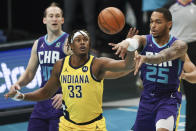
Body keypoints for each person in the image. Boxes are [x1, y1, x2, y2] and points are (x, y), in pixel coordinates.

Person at [5, 29, 136, 131]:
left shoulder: (97, 64)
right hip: (68, 126)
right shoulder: (60, 65)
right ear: (70, 45)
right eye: (78, 40)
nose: (83, 42)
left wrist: (130, 46)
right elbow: (45, 92)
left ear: (90, 44)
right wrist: (20, 96)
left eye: (85, 39)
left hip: (94, 126)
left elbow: (126, 65)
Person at [110, 8, 187, 131]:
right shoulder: (145, 40)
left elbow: (163, 56)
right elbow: (136, 40)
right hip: (147, 99)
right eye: (151, 22)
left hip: (168, 99)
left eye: (158, 22)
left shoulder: (179, 45)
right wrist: (127, 42)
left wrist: (145, 58)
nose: (153, 26)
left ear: (169, 24)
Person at [6, 2, 71, 131]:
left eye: (57, 16)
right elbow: (30, 73)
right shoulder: (38, 43)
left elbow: (82, 72)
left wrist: (66, 94)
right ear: (44, 20)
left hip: (61, 103)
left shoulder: (68, 42)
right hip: (42, 103)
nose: (54, 18)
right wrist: (18, 84)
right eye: (51, 16)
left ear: (62, 20)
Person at [168, 0, 196, 130]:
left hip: (193, 48)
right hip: (173, 49)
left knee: (193, 93)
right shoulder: (169, 7)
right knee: (169, 93)